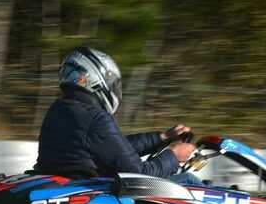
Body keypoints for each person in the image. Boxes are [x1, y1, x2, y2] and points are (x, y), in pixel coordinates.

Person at [34, 46, 196, 178]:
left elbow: (116, 148)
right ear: (96, 79)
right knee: (188, 181)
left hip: (71, 184)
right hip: (94, 191)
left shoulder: (59, 109)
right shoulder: (95, 118)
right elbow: (139, 173)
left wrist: (162, 137)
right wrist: (173, 156)